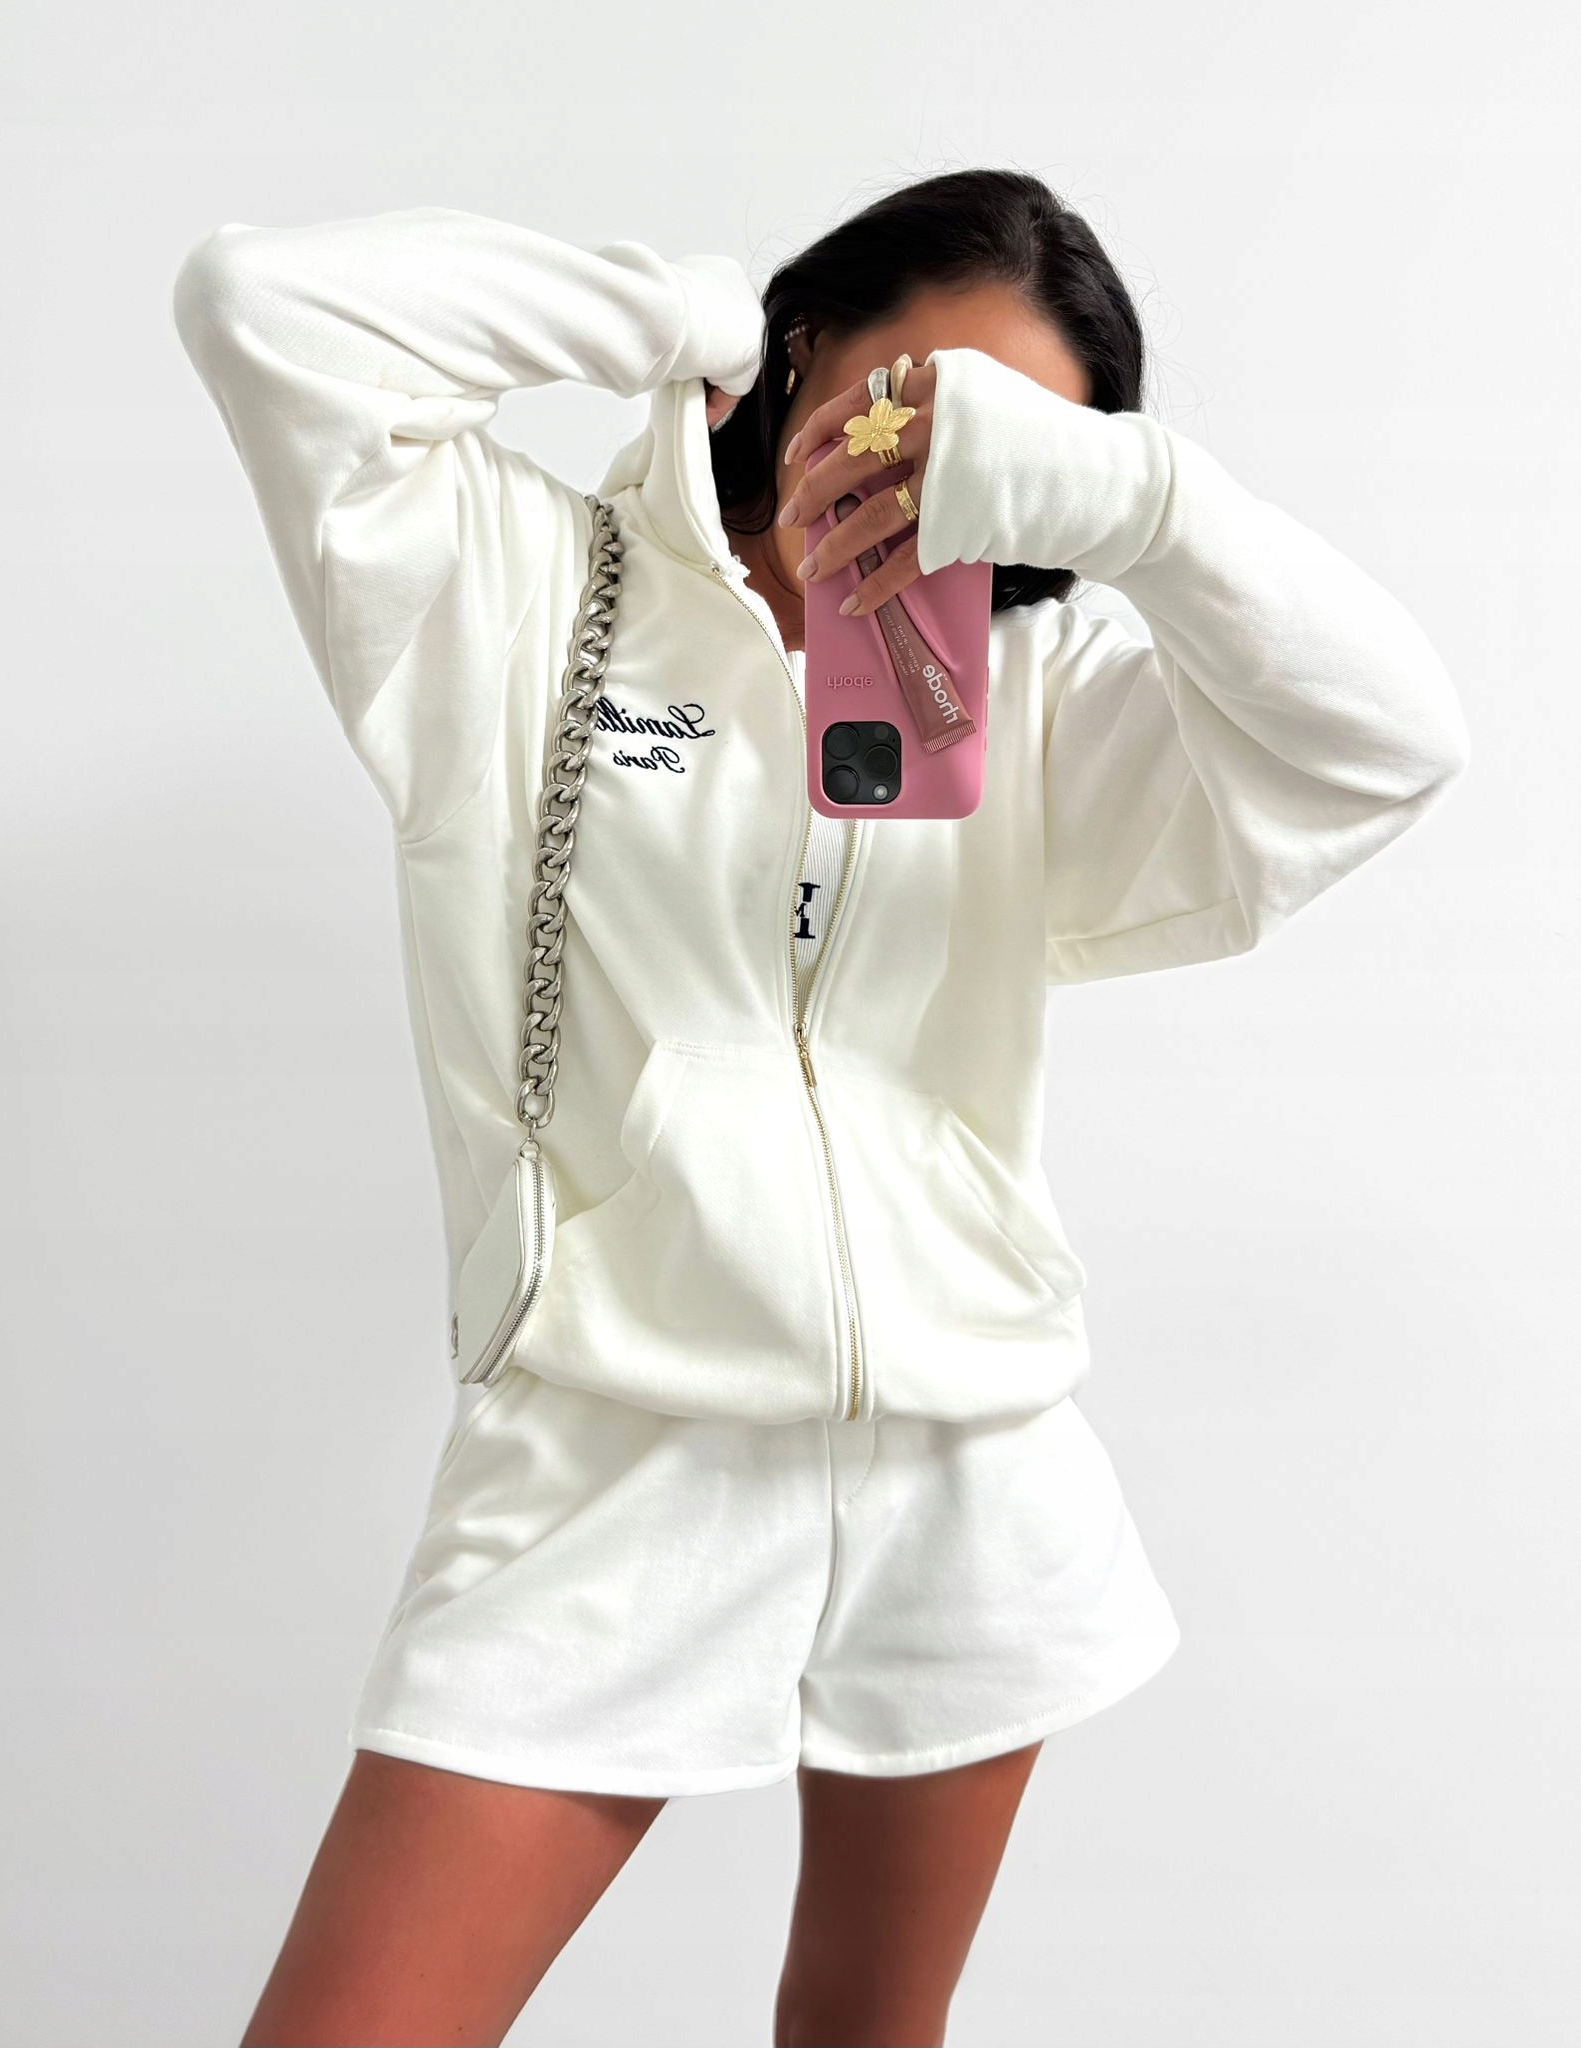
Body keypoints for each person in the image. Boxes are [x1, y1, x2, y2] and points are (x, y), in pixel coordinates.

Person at [171, 166, 1469, 2046]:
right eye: (904, 403)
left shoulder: (1034, 697)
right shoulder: (509, 591)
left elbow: (1392, 745)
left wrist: (1134, 504)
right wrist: (674, 316)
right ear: (801, 352)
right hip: (617, 1460)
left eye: (994, 451)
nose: (918, 475)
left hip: (968, 1466)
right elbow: (259, 303)